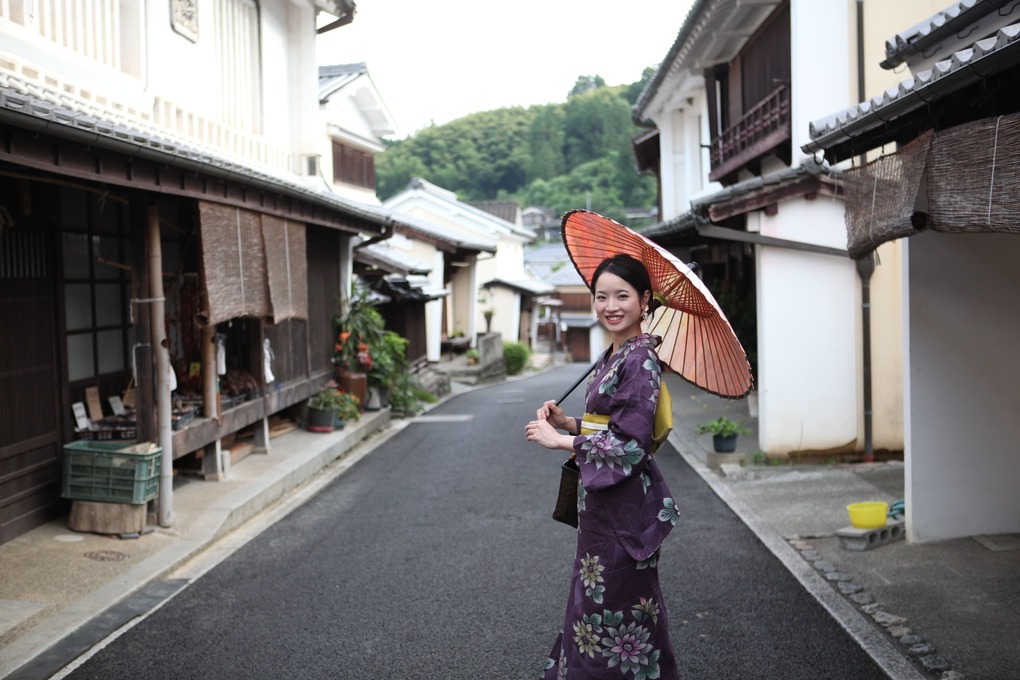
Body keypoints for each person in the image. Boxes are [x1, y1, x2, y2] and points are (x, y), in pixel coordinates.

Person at [525, 253, 679, 679]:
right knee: (596, 608)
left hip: (624, 514)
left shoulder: (640, 360)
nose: (610, 306)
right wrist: (570, 422)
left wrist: (562, 441)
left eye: (622, 295)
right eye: (601, 296)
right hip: (604, 510)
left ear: (645, 300)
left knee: (617, 614)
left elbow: (630, 444)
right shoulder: (614, 354)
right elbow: (608, 426)